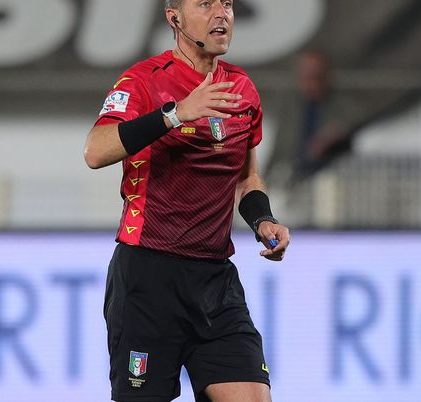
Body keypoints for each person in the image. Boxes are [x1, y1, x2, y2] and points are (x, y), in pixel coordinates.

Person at [84, 1, 290, 401]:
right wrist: (176, 114)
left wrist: (263, 221)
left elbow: (246, 177)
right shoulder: (142, 81)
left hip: (216, 282)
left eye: (228, 4)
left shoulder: (242, 89)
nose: (222, 14)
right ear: (173, 16)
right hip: (148, 278)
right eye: (206, 4)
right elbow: (95, 151)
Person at [266, 50, 354, 183]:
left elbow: (351, 129)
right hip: (288, 178)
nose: (312, 83)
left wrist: (330, 138)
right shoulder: (286, 107)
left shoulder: (342, 106)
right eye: (307, 77)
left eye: (317, 76)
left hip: (330, 180)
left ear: (327, 76)